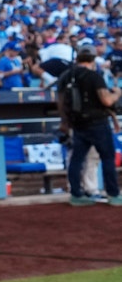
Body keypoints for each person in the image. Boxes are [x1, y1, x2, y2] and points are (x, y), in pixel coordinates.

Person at [57, 46, 122, 206]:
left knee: (77, 159)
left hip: (77, 124)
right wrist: (117, 93)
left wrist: (64, 121)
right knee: (107, 157)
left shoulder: (66, 76)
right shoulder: (94, 76)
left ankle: (76, 195)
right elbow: (106, 101)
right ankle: (113, 194)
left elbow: (60, 102)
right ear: (92, 60)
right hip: (98, 123)